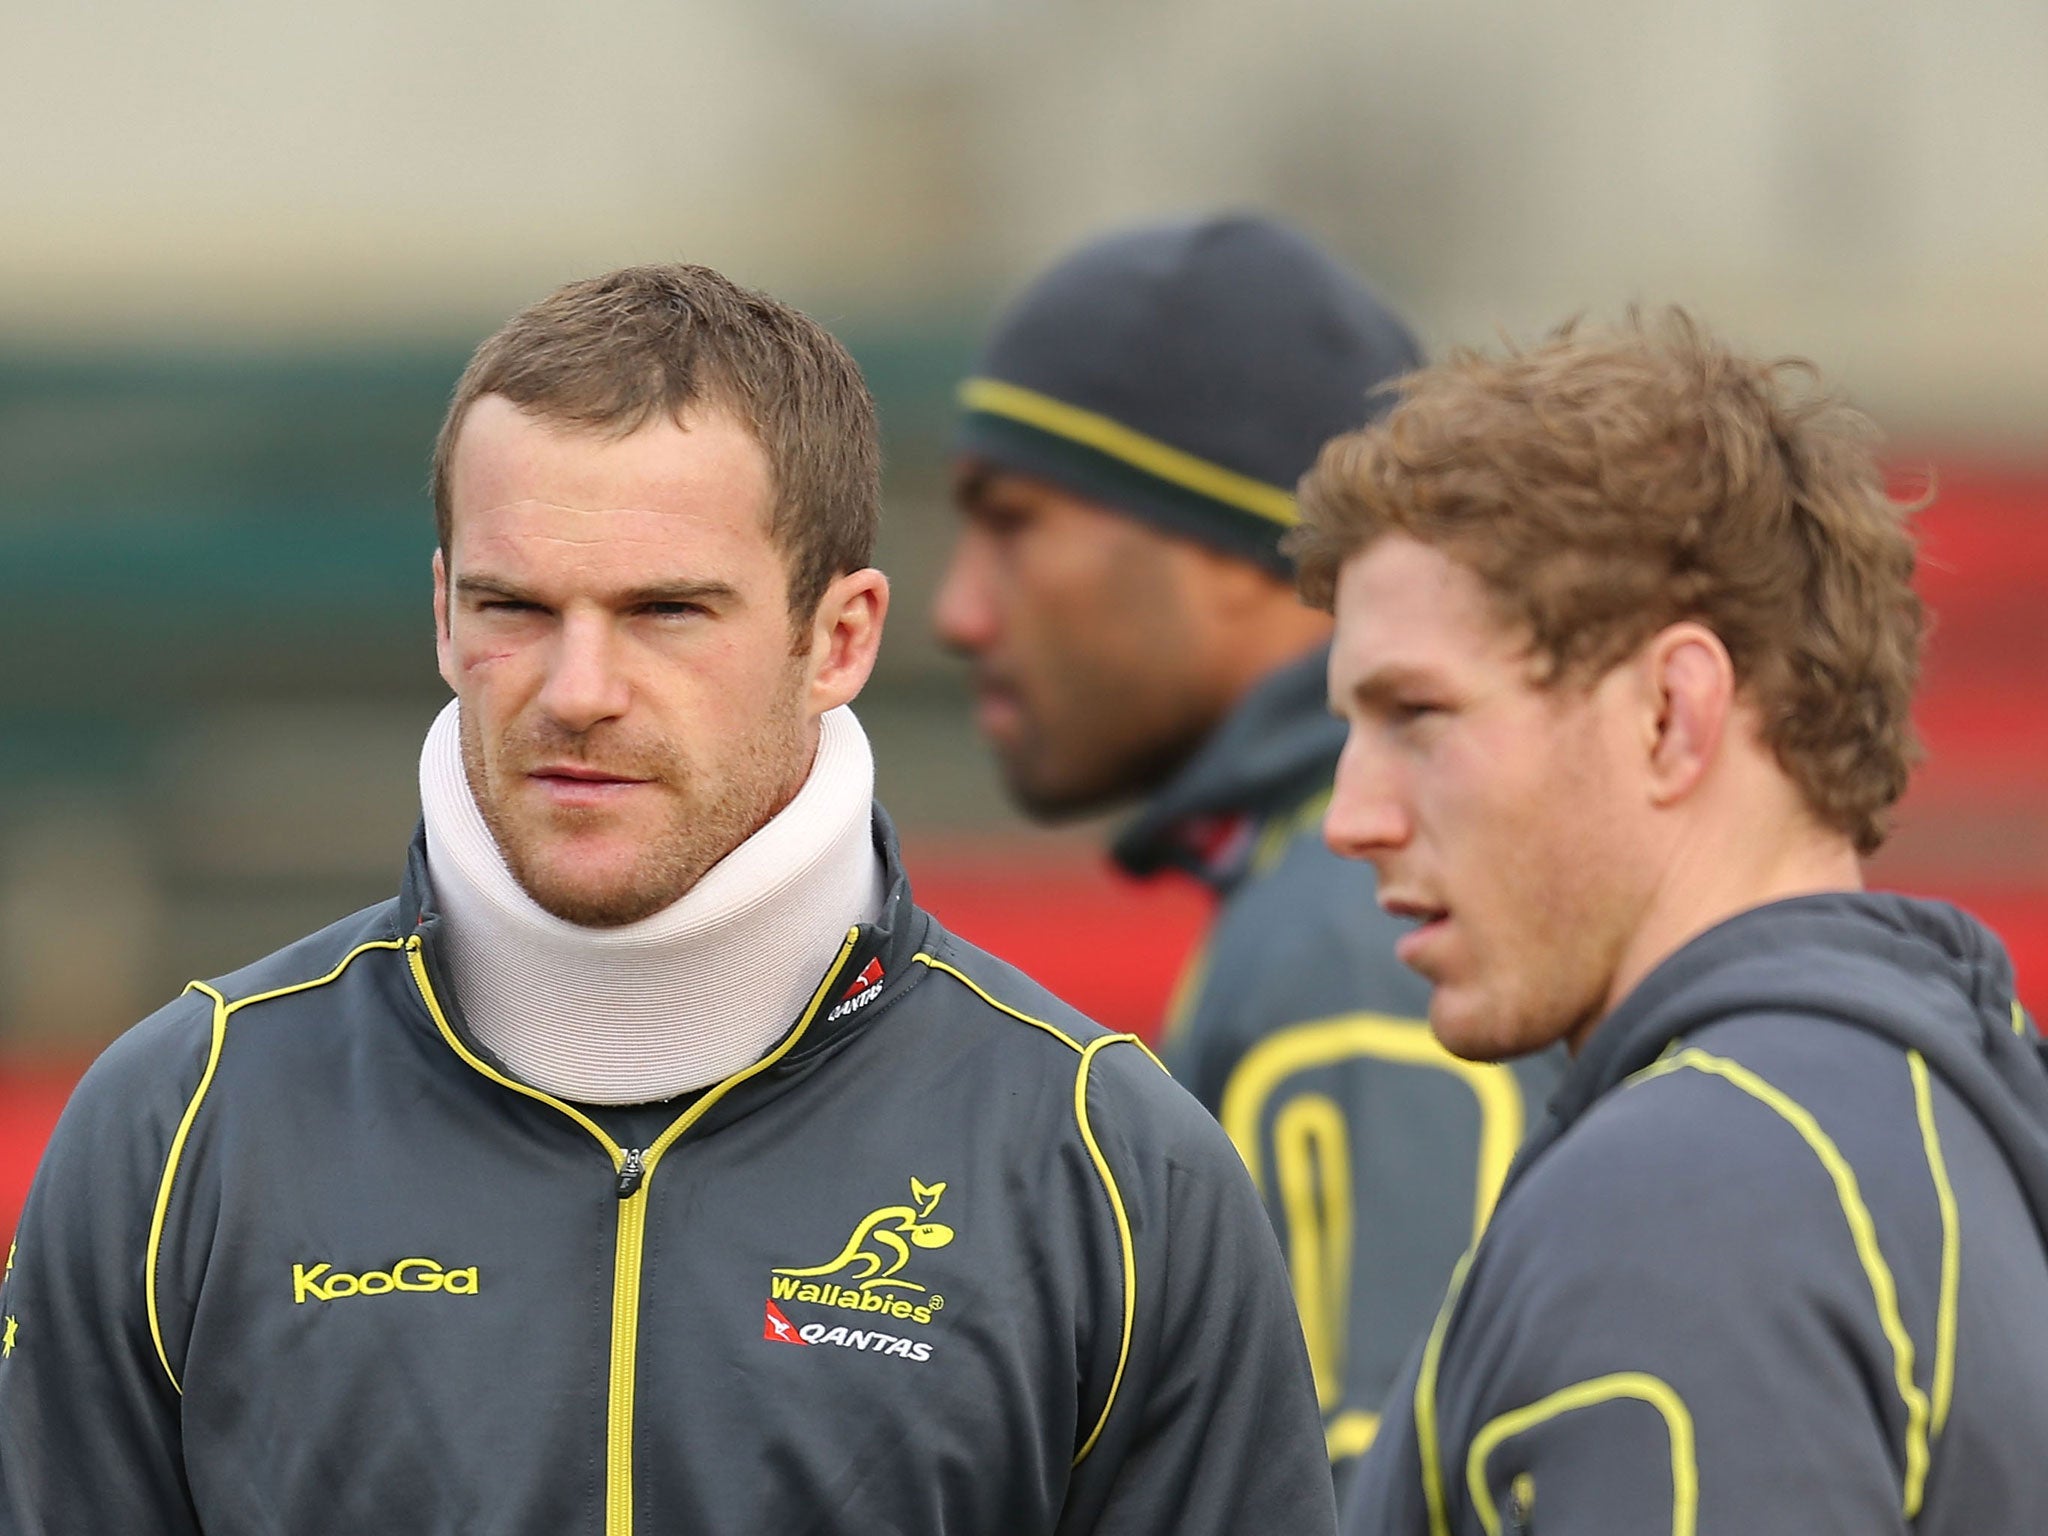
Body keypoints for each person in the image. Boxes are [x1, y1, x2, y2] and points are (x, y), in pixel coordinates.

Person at [0, 264, 1339, 1536]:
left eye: (666, 612)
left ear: (843, 638)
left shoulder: (1108, 1168)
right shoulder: (177, 1130)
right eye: (515, 605)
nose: (579, 687)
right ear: (442, 618)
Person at [1291, 310, 2048, 1535]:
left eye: (1416, 714)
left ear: (1670, 714)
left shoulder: (1690, 1200)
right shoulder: (1945, 1103)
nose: (1351, 816)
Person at [933, 213, 1562, 1470]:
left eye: (1014, 523)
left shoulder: (1359, 931)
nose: (955, 607)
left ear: (1234, 549)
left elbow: (1372, 1489)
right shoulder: (1333, 890)